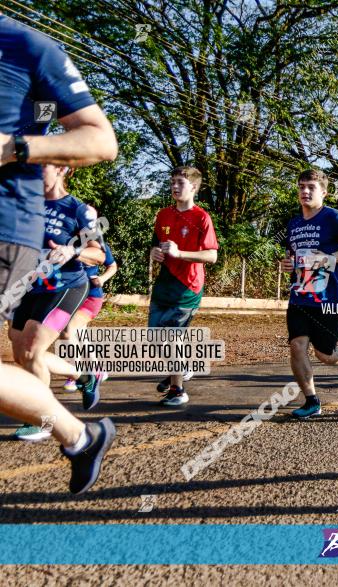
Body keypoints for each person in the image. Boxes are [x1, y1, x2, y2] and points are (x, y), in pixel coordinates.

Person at [0, 12, 117, 492]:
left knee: (32, 348)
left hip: (19, 242)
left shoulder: (26, 46)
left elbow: (102, 259)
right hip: (35, 279)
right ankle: (77, 434)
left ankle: (74, 420)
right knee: (23, 351)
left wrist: (13, 148)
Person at [9, 164, 106, 440]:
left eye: (42, 166)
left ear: (62, 168)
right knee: (20, 354)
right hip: (30, 287)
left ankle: (45, 421)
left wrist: (72, 250)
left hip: (65, 287)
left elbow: (98, 255)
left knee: (31, 351)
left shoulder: (78, 210)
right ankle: (85, 376)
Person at [283, 169, 338, 419]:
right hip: (300, 295)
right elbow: (292, 254)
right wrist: (288, 263)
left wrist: (330, 258)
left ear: (324, 192)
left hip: (330, 297)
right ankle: (311, 400)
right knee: (297, 346)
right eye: (301, 187)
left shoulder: (334, 217)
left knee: (325, 354)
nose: (305, 191)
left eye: (310, 187)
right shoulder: (294, 223)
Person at [148, 166, 218, 406]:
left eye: (180, 182)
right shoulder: (163, 215)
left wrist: (180, 254)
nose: (175, 187)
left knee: (172, 338)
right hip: (164, 283)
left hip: (188, 286)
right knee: (155, 339)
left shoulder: (201, 218)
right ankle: (181, 367)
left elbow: (211, 256)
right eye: (173, 182)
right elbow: (156, 244)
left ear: (194, 187)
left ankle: (178, 390)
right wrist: (155, 253)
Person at [60, 241, 116, 392]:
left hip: (91, 297)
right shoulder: (65, 243)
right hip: (71, 296)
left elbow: (112, 265)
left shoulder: (98, 245)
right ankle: (97, 370)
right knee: (81, 335)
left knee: (68, 331)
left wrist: (103, 279)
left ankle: (77, 375)